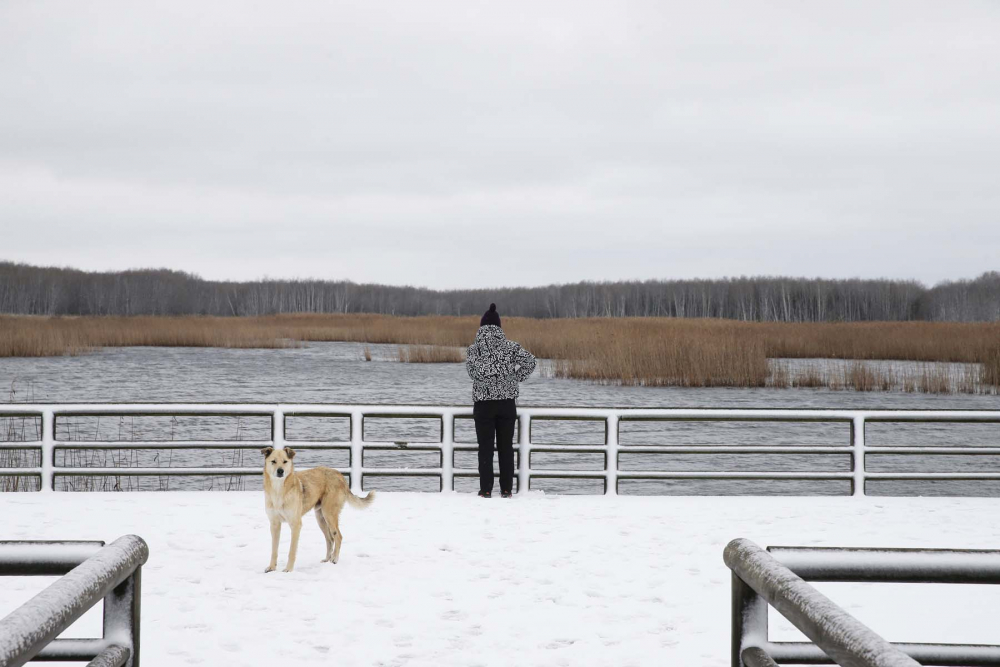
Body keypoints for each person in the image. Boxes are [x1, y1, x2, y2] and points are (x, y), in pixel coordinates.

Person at [466, 303, 536, 498]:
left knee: (485, 448)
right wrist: (514, 377)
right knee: (506, 448)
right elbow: (531, 362)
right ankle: (506, 489)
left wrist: (488, 378)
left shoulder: (474, 349)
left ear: (481, 327)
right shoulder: (511, 347)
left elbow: (472, 373)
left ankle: (486, 489)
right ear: (499, 327)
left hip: (483, 404)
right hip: (507, 403)